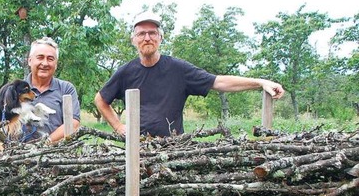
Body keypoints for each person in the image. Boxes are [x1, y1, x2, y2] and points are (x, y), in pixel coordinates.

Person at [94, 13, 285, 137]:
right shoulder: (126, 72)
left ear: (161, 37)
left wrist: (260, 82)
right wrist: (118, 127)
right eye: (142, 33)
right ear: (133, 40)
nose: (147, 38)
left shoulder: (179, 69)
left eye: (152, 33)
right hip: (136, 148)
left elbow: (219, 82)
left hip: (173, 147)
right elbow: (101, 99)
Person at [23, 37, 81, 142]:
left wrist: (45, 144)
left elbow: (73, 123)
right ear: (30, 61)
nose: (45, 63)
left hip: (55, 155)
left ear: (56, 64)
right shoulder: (15, 89)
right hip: (17, 155)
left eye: (50, 59)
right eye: (40, 57)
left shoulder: (66, 89)